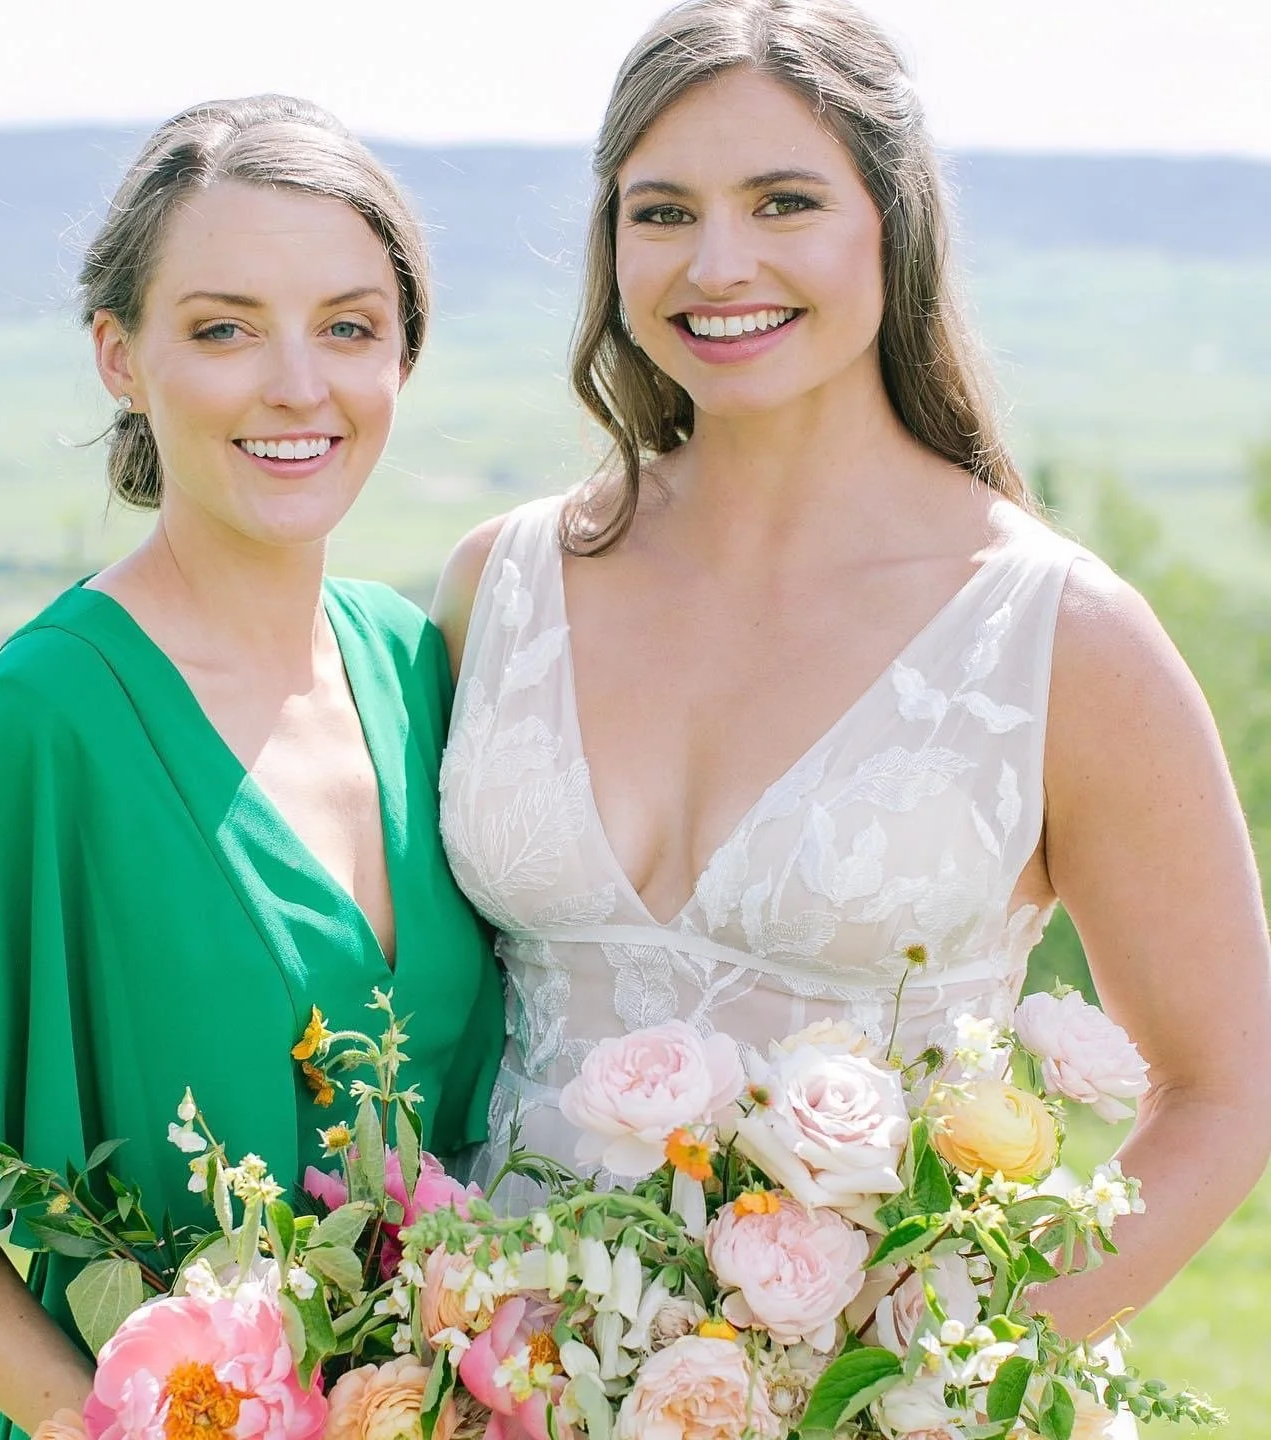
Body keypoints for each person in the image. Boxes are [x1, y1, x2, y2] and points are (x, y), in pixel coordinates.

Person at [434, 0, 1271, 1372]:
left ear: (896, 224)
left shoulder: (1058, 637)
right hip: (496, 1393)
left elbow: (1225, 1092)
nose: (718, 263)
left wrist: (939, 1379)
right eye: (662, 212)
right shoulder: (501, 588)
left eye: (784, 201)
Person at [0, 95, 503, 1438]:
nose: (297, 384)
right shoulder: (48, 720)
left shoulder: (420, 666)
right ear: (120, 358)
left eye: (349, 326)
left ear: (403, 356)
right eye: (223, 329)